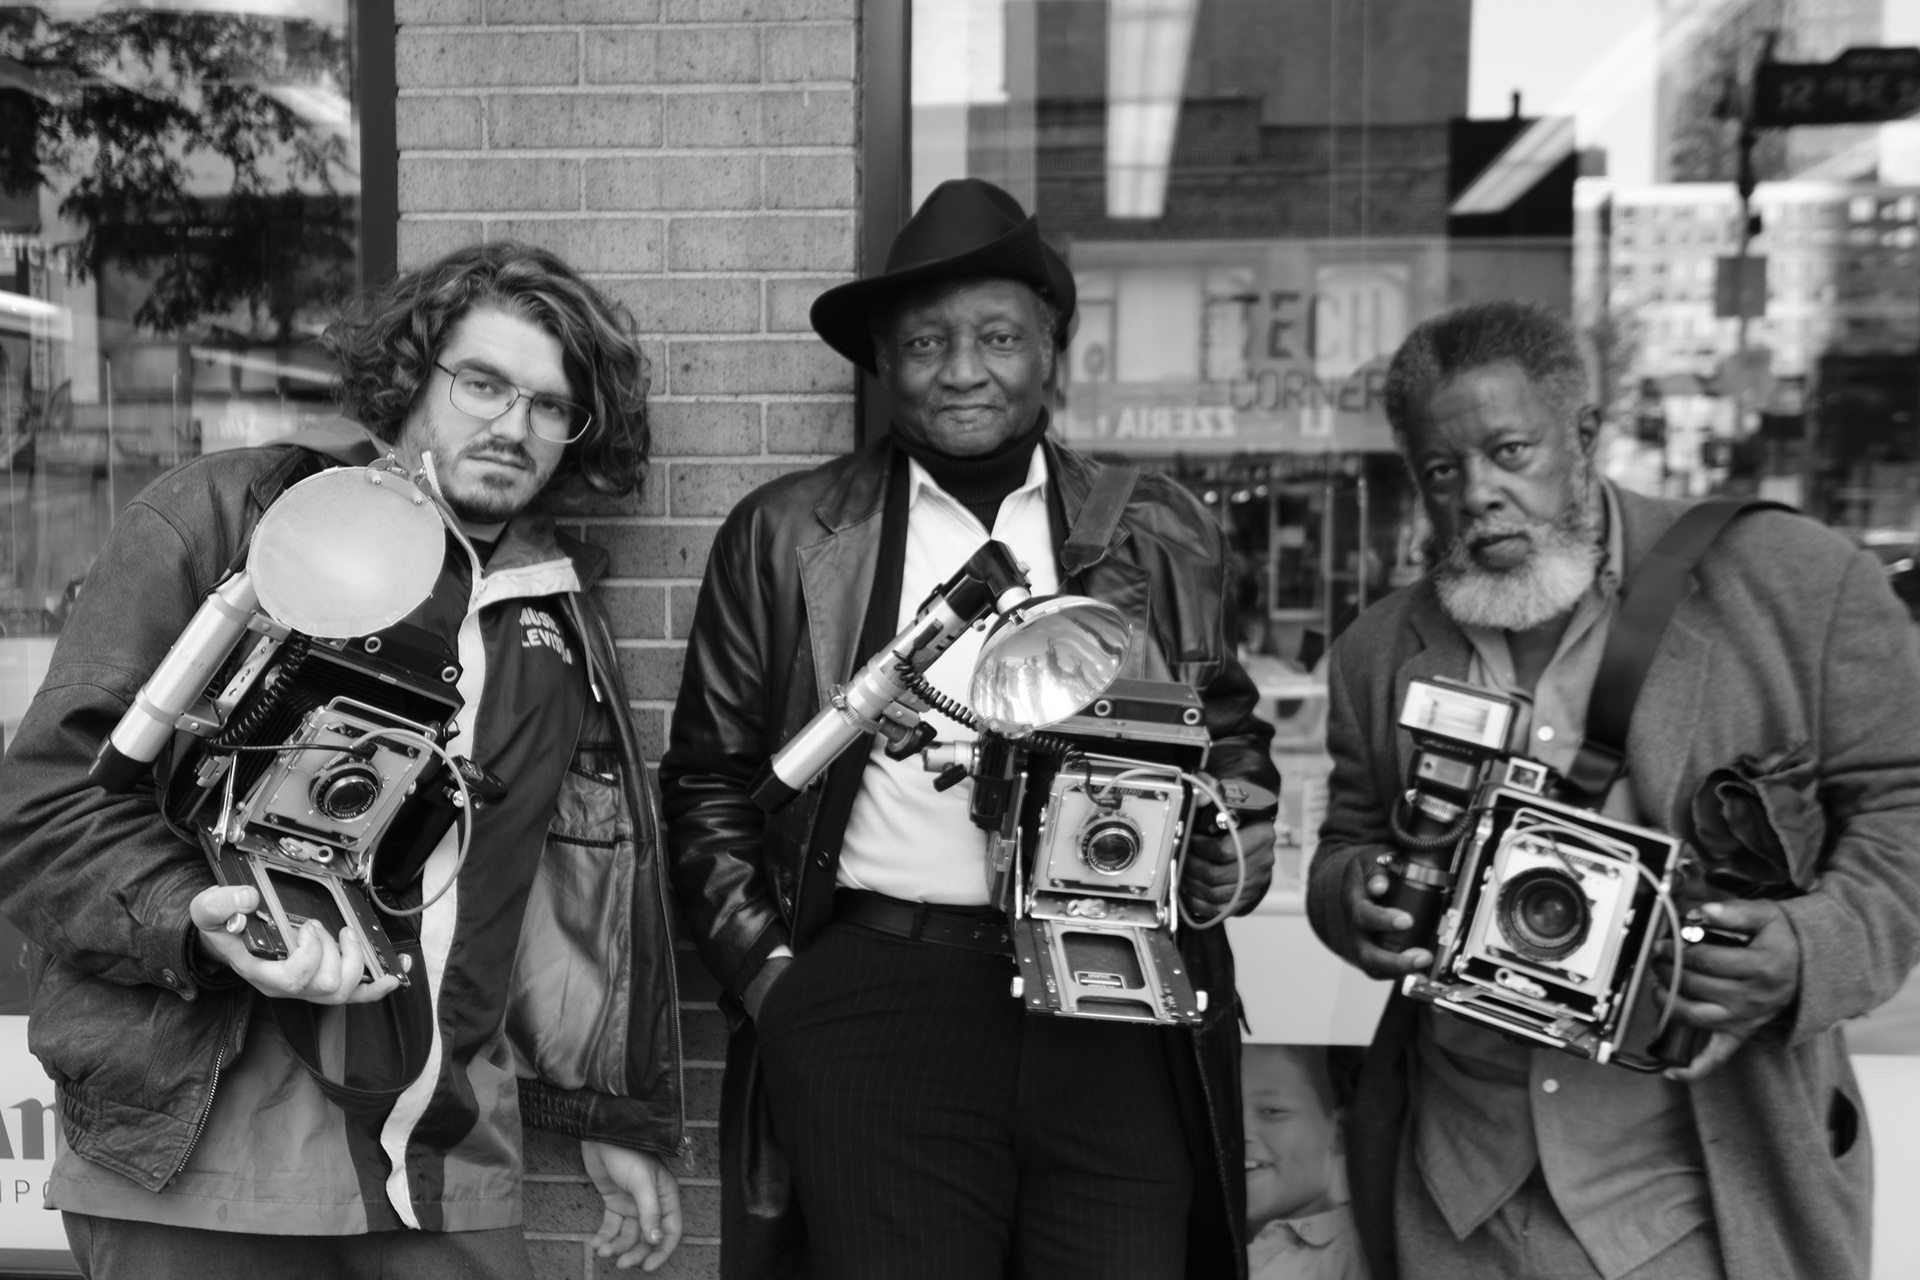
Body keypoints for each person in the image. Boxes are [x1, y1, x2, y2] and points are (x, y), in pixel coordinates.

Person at [0, 242, 686, 1279]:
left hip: (444, 1162)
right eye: (483, 383)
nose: (513, 426)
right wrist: (193, 915)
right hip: (203, 1151)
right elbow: (43, 809)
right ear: (410, 376)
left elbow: (560, 890)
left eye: (552, 405)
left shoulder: (551, 615)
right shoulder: (237, 518)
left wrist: (608, 1113)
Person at [659, 177, 1281, 1280]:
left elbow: (1226, 735)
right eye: (924, 342)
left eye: (998, 336)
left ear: (1050, 349)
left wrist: (1236, 844)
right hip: (879, 997)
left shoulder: (1159, 528)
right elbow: (711, 784)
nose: (961, 369)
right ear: (882, 363)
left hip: (1119, 1005)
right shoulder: (787, 532)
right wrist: (774, 983)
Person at [1307, 299, 1920, 1280]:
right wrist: (1357, 897)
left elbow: (1904, 804)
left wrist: (1810, 948)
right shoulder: (1377, 649)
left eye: (1510, 451)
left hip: (1701, 1202)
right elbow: (1348, 839)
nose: (1478, 494)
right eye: (1441, 470)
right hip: (1455, 1201)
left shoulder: (1796, 580)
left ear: (1584, 433)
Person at [1243, 1044, 1367, 1280]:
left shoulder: (1357, 1257)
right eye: (1222, 1113)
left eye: (1271, 1111)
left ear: (1340, 1130)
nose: (1238, 1131)